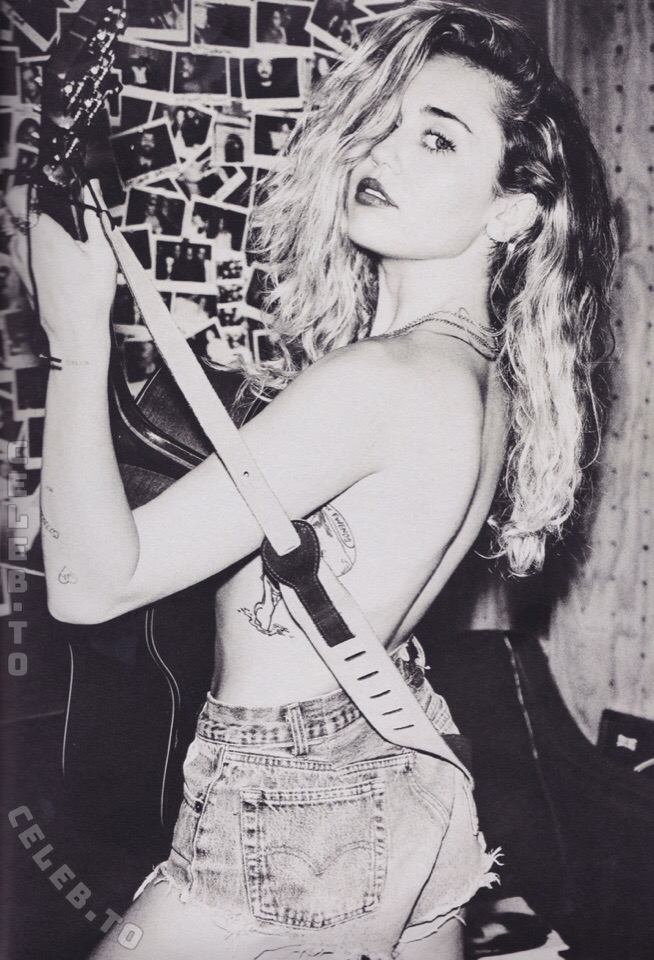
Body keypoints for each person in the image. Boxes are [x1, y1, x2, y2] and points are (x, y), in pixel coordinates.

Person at [8, 2, 616, 958]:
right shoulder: (473, 376)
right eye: (385, 120)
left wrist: (75, 338)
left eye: (437, 139)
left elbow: (89, 587)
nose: (385, 151)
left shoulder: (384, 379)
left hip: (294, 807)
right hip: (402, 761)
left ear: (510, 210)